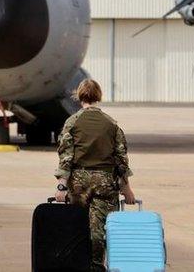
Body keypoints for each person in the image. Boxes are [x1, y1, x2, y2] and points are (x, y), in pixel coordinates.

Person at [54, 79, 136, 272]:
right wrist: (127, 189)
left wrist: (61, 186)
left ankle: (79, 264)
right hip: (104, 182)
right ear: (98, 96)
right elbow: (121, 159)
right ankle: (97, 267)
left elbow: (66, 157)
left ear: (79, 95)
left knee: (78, 227)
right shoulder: (111, 124)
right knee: (100, 230)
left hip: (79, 183)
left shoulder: (72, 122)